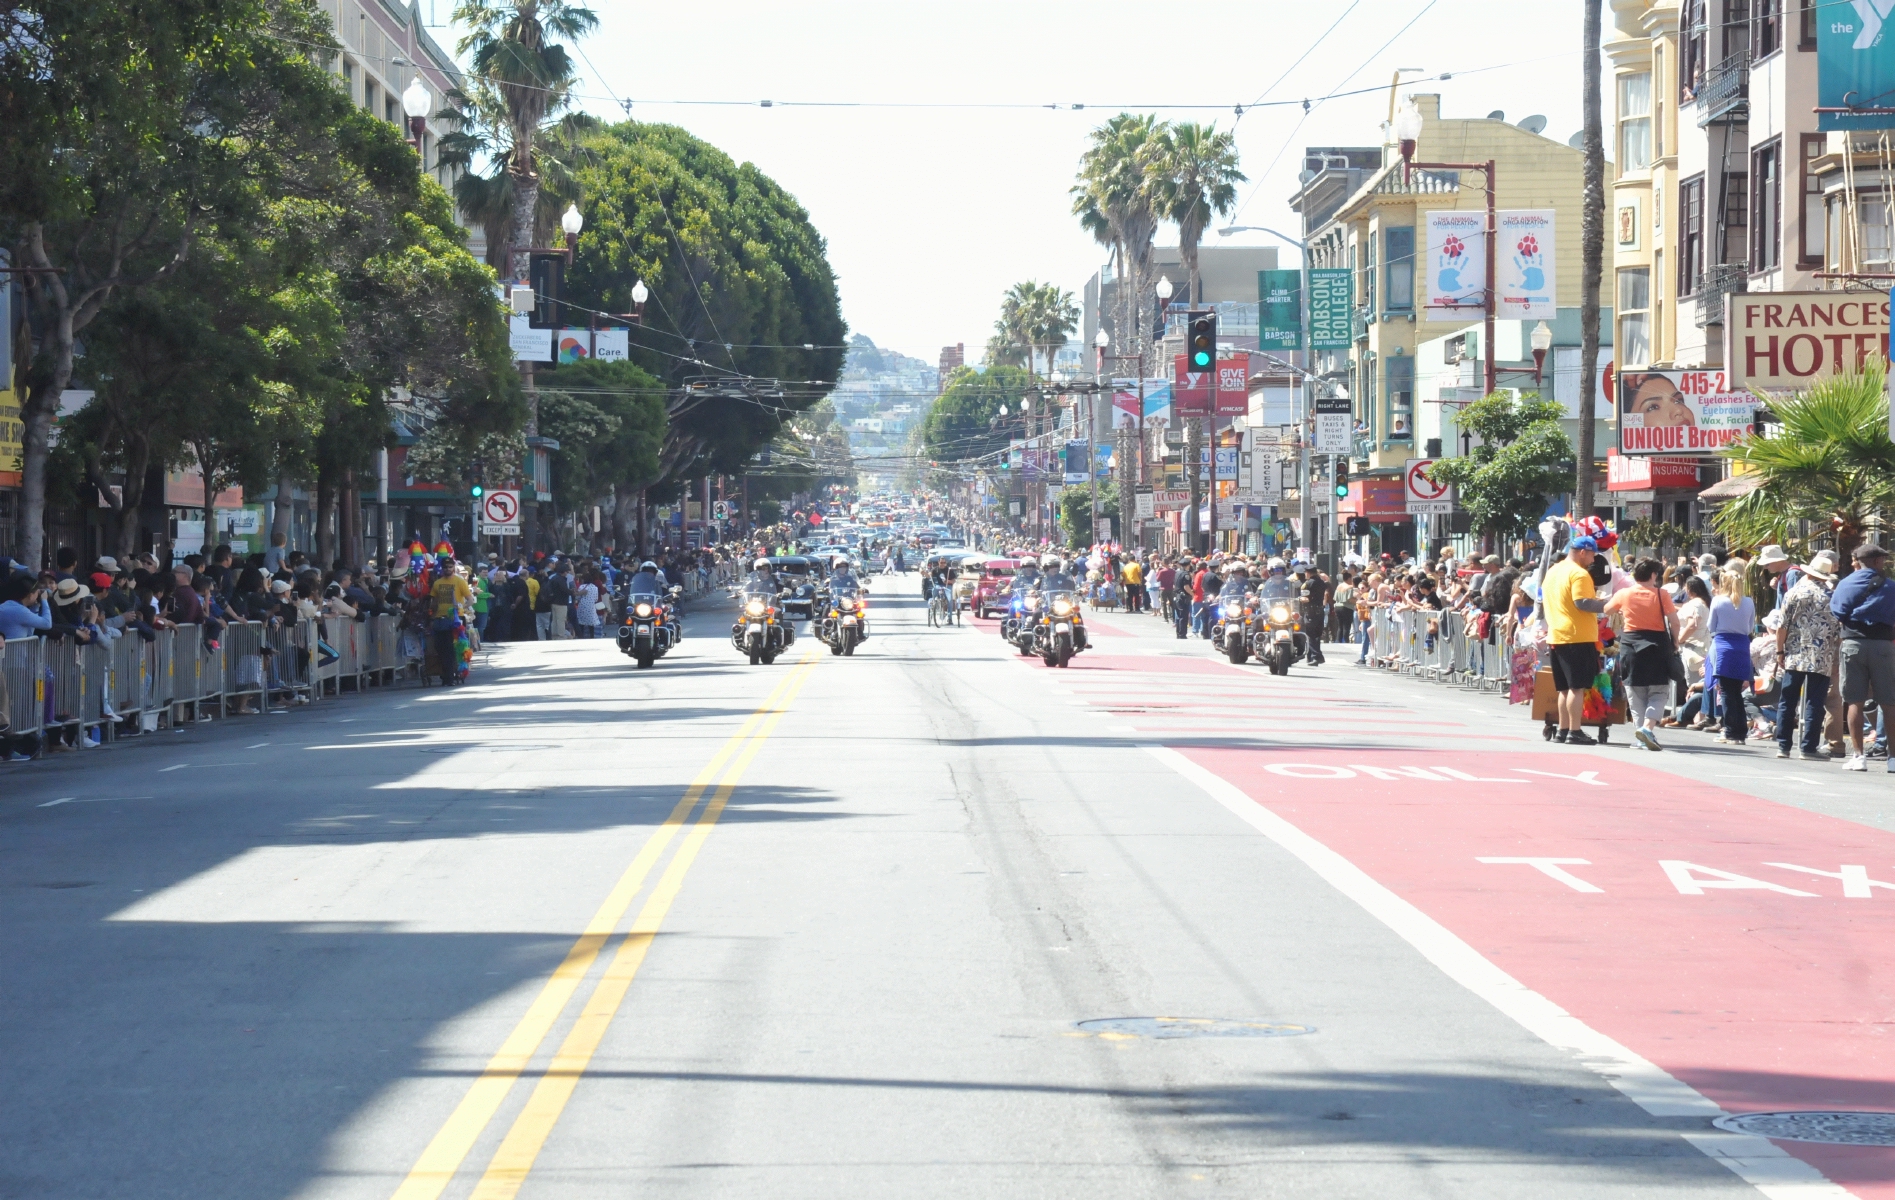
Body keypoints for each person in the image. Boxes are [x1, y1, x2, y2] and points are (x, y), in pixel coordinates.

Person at [1831, 542, 1895, 772]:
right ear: (1877, 561)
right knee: (1889, 703)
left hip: (1853, 643)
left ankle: (1858, 757)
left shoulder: (1845, 583)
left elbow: (1837, 612)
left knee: (1854, 701)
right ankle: (1893, 759)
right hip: (1883, 645)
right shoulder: (1890, 587)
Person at [1605, 558, 1679, 751]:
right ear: (1654, 575)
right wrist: (1676, 641)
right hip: (1657, 645)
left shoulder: (1624, 594)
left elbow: (1607, 610)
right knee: (1659, 691)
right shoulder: (1661, 594)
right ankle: (1647, 728)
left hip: (1630, 645)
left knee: (1635, 691)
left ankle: (1640, 735)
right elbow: (1674, 622)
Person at [1775, 550, 1841, 761]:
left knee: (1788, 700)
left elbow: (1782, 626)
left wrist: (1779, 650)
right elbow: (1837, 631)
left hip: (1794, 653)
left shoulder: (1794, 593)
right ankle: (1808, 747)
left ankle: (1783, 745)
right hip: (1822, 656)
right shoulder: (1831, 597)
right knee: (1815, 701)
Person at [1543, 535, 1609, 745]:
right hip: (1576, 636)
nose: (1593, 560)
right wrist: (1609, 605)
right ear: (1583, 552)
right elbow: (1582, 603)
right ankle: (1575, 730)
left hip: (1557, 634)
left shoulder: (1553, 571)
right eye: (1592, 555)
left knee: (1564, 688)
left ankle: (1563, 730)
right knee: (1577, 687)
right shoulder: (1579, 574)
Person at [1706, 567, 1757, 745]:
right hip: (1742, 646)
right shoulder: (1749, 602)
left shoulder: (1718, 601)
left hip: (1723, 646)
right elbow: (1750, 628)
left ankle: (1729, 730)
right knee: (1736, 691)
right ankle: (1740, 732)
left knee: (1727, 691)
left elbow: (1711, 626)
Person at [428, 557, 471, 685]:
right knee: (440, 647)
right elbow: (434, 602)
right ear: (442, 568)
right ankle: (446, 674)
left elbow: (470, 599)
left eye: (450, 567)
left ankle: (450, 676)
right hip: (440, 619)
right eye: (445, 567)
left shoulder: (460, 581)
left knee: (451, 648)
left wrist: (461, 607)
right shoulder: (437, 583)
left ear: (454, 568)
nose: (448, 569)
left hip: (455, 620)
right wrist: (431, 616)